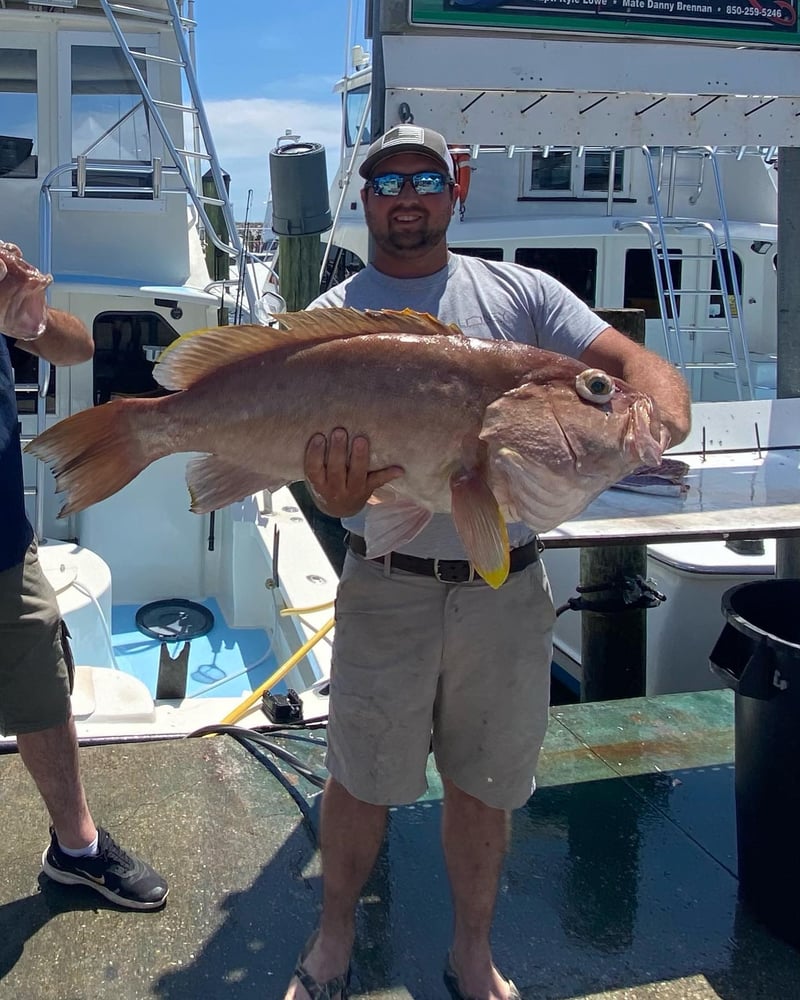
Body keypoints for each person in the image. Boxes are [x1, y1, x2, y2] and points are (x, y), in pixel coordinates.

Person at [285, 126, 691, 1000]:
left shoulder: (525, 297)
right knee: (358, 775)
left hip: (505, 593)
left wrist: (658, 409)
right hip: (384, 587)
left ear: (453, 191)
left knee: (489, 782)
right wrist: (338, 493)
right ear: (364, 199)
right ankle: (331, 941)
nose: (406, 195)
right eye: (387, 180)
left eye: (425, 178)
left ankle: (473, 952)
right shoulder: (327, 324)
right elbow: (334, 504)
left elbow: (623, 364)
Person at [0, 241, 168, 910]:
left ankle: (78, 849)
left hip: (5, 549)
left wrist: (28, 315)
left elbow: (77, 350)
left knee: (43, 692)